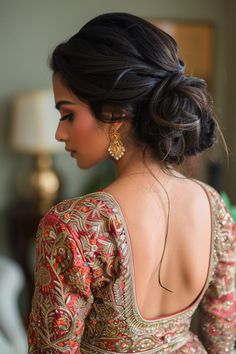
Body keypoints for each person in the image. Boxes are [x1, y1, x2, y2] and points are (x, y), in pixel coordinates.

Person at [28, 13, 236, 353]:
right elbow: (222, 340)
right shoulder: (214, 208)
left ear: (114, 113)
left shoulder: (75, 226)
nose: (59, 133)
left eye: (68, 115)